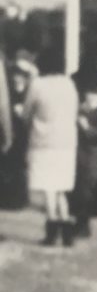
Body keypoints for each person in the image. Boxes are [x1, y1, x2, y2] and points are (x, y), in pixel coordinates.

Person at [25, 47, 79, 247]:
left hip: (43, 142)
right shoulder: (69, 84)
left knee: (48, 187)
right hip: (66, 143)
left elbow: (27, 112)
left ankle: (51, 231)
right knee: (61, 189)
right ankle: (66, 231)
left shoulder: (38, 85)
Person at [71, 74, 97, 238]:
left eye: (93, 95)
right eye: (88, 95)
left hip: (91, 159)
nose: (90, 98)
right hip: (78, 157)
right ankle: (78, 223)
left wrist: (86, 127)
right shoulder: (80, 110)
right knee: (78, 191)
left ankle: (83, 225)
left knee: (86, 192)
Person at [0, 58, 35, 210]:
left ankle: (20, 199)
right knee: (9, 165)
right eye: (16, 75)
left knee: (20, 165)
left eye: (21, 76)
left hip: (23, 133)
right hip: (11, 130)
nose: (17, 78)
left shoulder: (29, 92)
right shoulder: (9, 91)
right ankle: (9, 198)